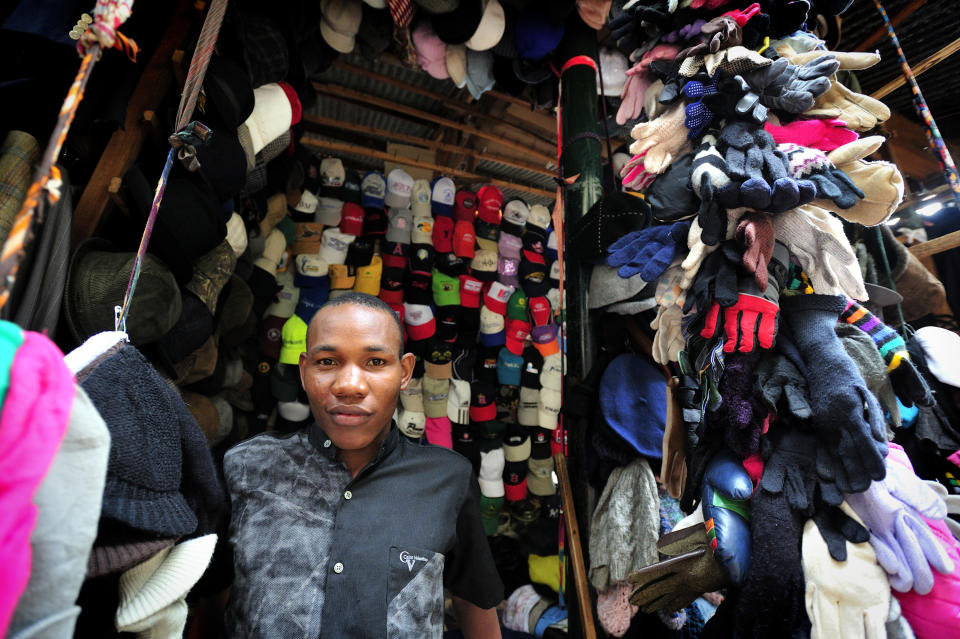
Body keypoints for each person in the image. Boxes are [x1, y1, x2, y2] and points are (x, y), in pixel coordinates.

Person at [223, 292, 503, 637]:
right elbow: (213, 605)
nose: (349, 386)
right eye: (327, 362)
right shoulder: (247, 467)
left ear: (404, 372)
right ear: (304, 370)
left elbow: (477, 607)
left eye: (374, 362)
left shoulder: (448, 479)